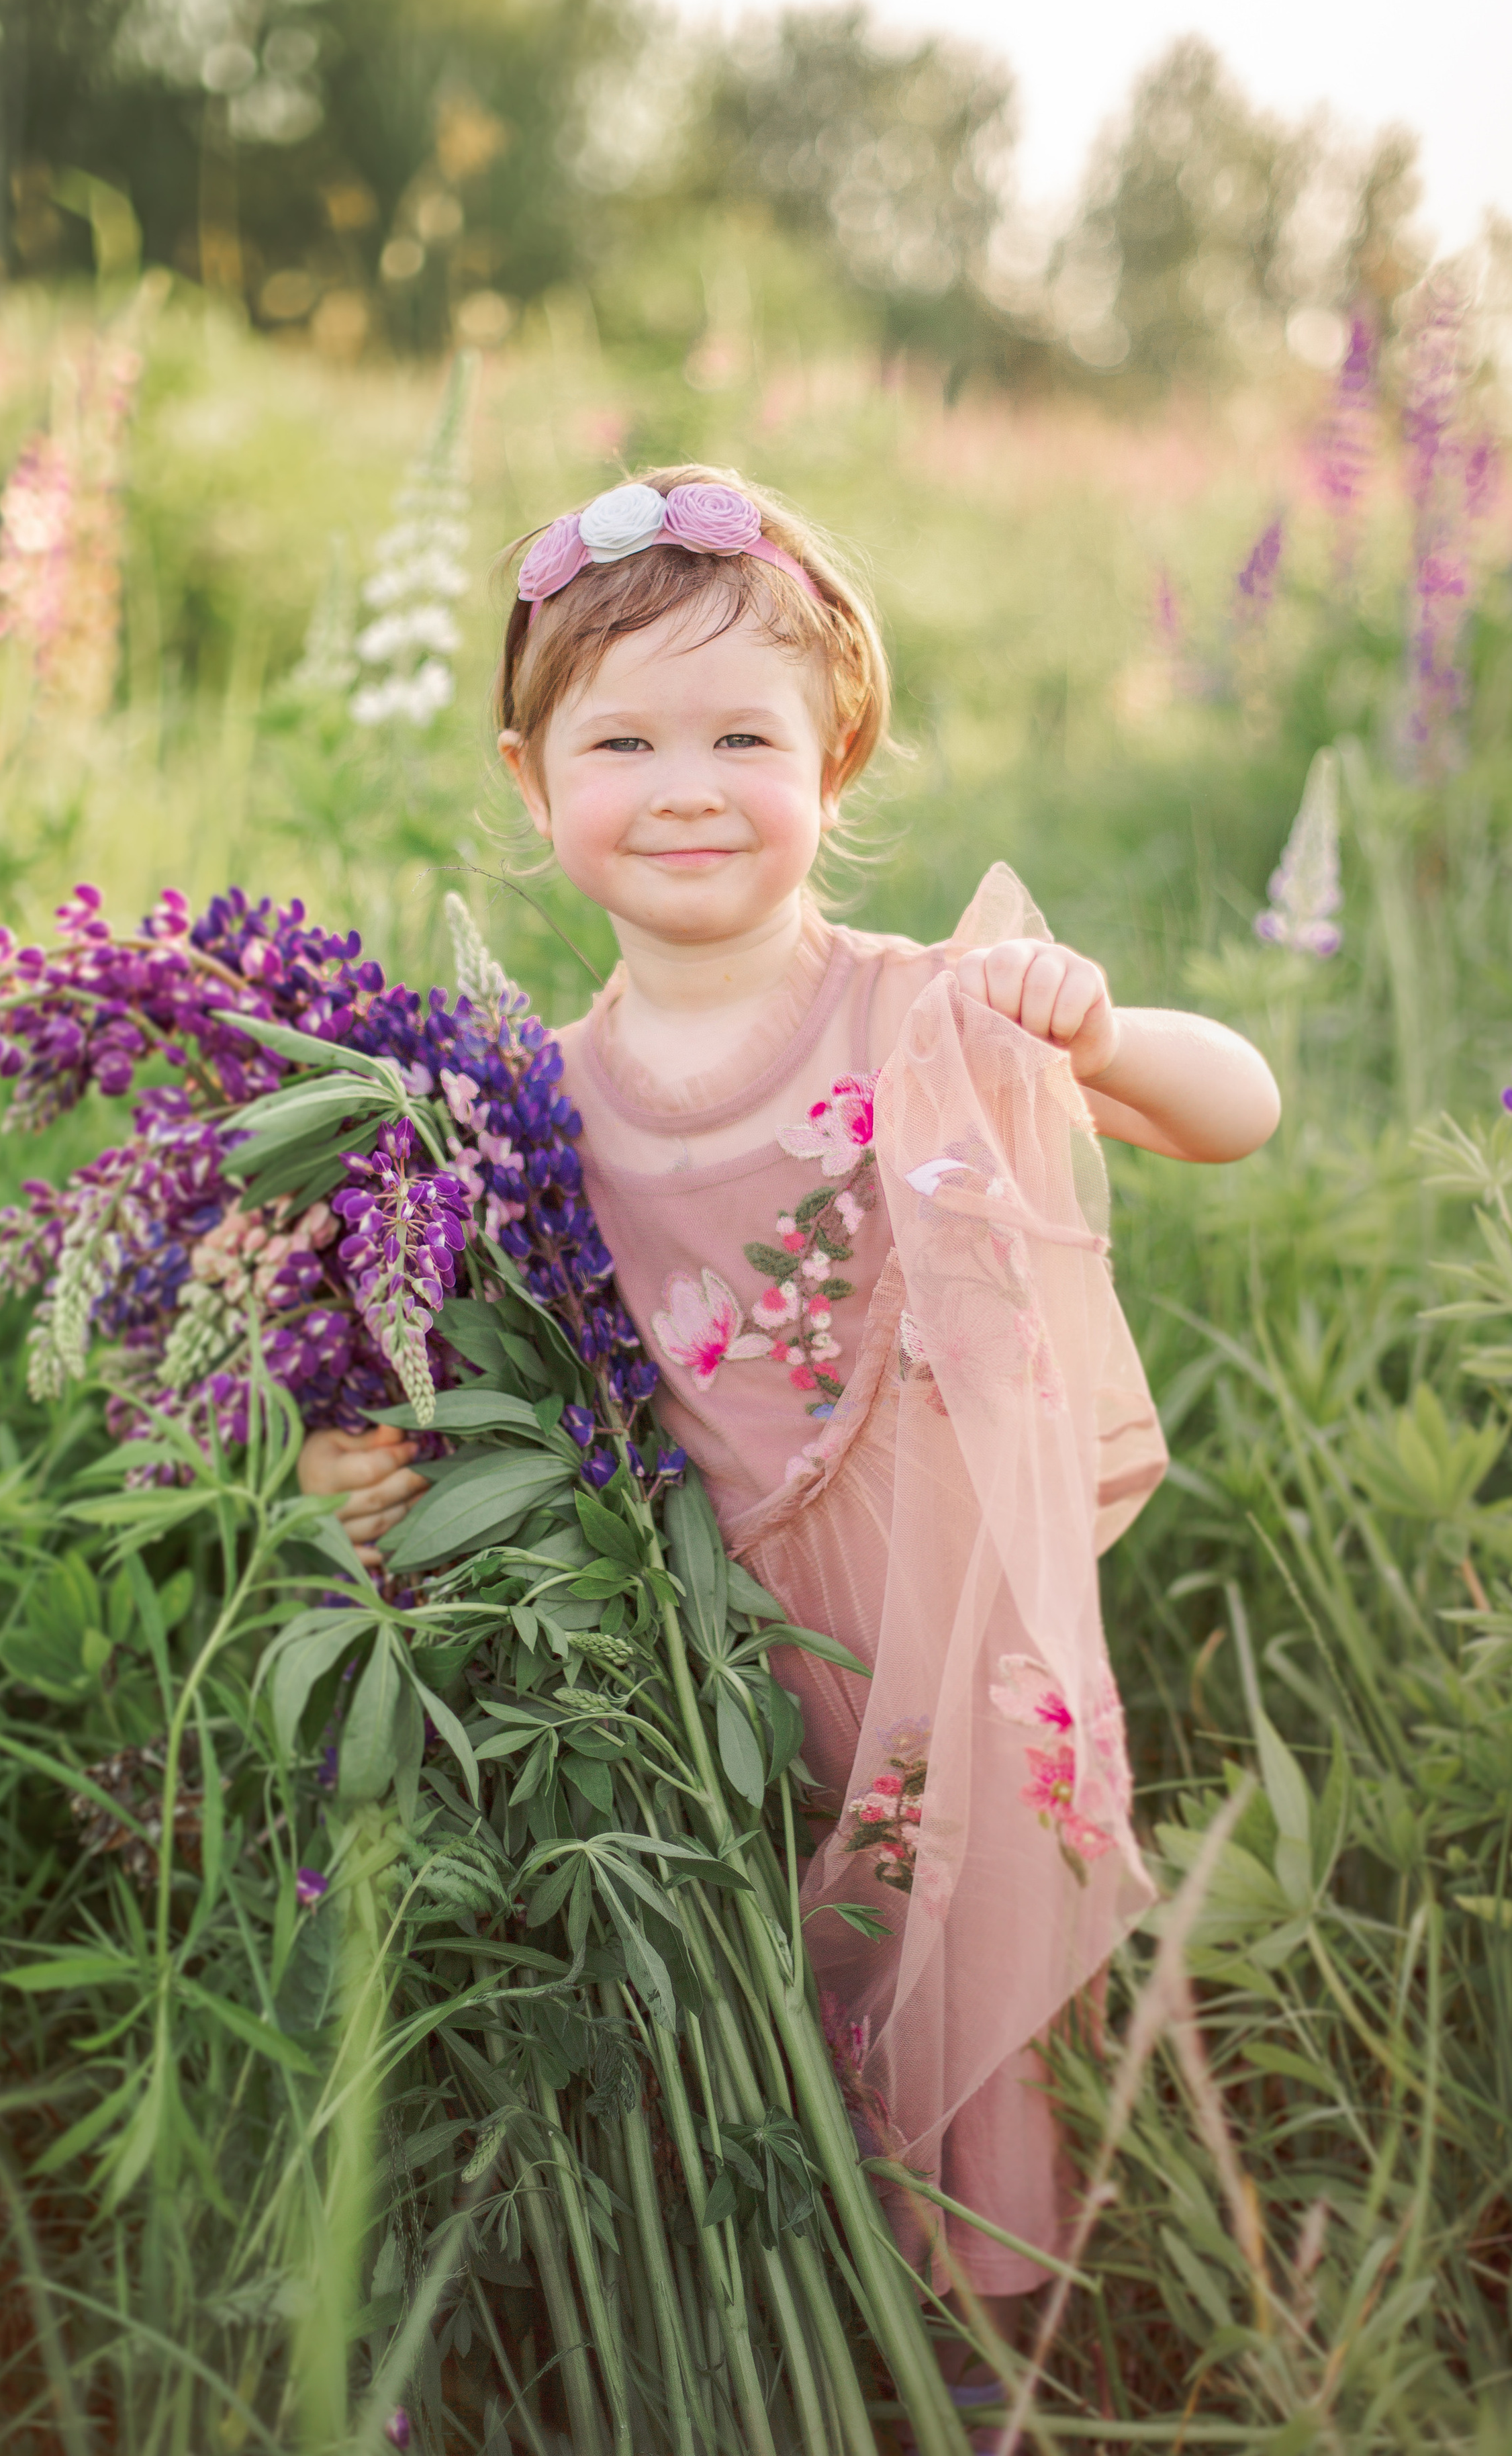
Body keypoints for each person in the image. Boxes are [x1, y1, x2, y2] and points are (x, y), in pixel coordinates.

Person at [299, 466, 1280, 2401]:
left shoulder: (921, 1007)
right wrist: (353, 1469)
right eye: (625, 738)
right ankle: (777, 2313)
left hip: (935, 1616)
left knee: (963, 1984)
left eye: (745, 735)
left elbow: (1231, 1109)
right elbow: (453, 1377)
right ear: (528, 778)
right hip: (689, 1651)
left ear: (839, 760)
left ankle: (996, 2350)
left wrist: (1089, 1029)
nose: (686, 785)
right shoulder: (515, 1104)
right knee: (746, 1988)